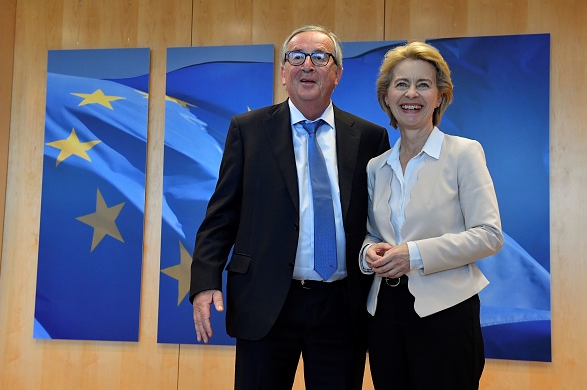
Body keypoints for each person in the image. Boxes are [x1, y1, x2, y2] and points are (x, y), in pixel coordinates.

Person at [189, 25, 390, 390]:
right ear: (283, 73)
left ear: (337, 73)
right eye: (296, 57)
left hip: (341, 307)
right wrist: (204, 282)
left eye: (320, 57)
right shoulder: (248, 131)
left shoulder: (370, 138)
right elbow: (221, 216)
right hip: (266, 302)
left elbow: (381, 222)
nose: (307, 65)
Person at [361, 41, 504, 389]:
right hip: (384, 316)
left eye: (423, 84)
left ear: (440, 96)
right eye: (401, 84)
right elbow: (372, 234)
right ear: (387, 97)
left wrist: (415, 255)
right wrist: (368, 253)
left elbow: (489, 234)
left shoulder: (464, 153)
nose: (412, 93)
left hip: (447, 314)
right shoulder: (376, 166)